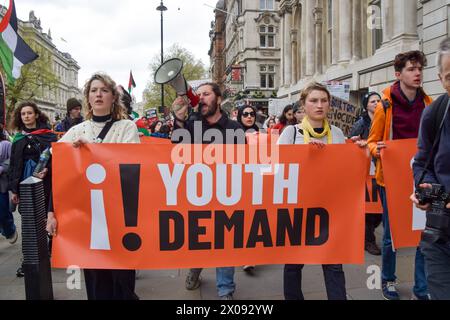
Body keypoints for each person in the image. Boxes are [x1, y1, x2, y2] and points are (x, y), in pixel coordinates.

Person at [46, 73, 140, 300]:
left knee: (123, 280)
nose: (98, 94)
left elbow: (133, 167)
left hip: (119, 215)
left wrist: (94, 152)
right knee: (97, 282)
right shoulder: (76, 132)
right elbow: (61, 175)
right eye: (93, 90)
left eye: (104, 90)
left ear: (113, 98)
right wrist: (51, 212)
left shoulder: (127, 128)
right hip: (88, 217)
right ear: (87, 97)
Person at [367, 50, 432, 300]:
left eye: (419, 69)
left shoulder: (428, 104)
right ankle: (388, 281)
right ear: (398, 74)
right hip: (391, 180)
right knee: (392, 235)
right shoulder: (385, 105)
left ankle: (422, 288)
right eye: (411, 69)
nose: (417, 73)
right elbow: (372, 142)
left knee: (422, 233)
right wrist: (378, 149)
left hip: (421, 177)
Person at [171, 82, 245, 300]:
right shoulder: (192, 124)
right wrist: (180, 120)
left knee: (225, 242)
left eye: (206, 94)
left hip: (226, 194)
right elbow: (177, 152)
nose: (200, 98)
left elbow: (243, 164)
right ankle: (196, 266)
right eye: (198, 94)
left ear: (218, 99)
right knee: (199, 239)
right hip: (197, 194)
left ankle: (225, 290)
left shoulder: (234, 128)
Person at [278, 82, 347, 300]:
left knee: (334, 265)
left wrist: (359, 153)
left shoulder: (337, 133)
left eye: (324, 101)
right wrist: (307, 156)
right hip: (297, 209)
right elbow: (276, 167)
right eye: (313, 101)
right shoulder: (291, 133)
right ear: (304, 105)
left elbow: (345, 171)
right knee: (293, 264)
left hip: (329, 210)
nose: (319, 105)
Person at [411, 37, 450, 300]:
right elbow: (422, 162)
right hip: (441, 235)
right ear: (441, 78)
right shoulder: (434, 113)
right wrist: (425, 188)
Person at [8, 101, 57, 277]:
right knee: (29, 222)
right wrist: (14, 190)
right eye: (23, 114)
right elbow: (14, 165)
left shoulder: (49, 137)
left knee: (47, 216)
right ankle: (29, 261)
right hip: (25, 184)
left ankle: (53, 248)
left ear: (36, 114)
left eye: (29, 113)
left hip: (46, 183)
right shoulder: (18, 139)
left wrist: (47, 169)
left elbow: (58, 160)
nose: (26, 116)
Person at [349, 92, 383, 256]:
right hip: (365, 172)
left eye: (379, 100)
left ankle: (364, 232)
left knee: (380, 211)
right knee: (370, 209)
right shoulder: (360, 124)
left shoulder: (385, 120)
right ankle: (368, 240)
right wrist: (359, 144)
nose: (377, 103)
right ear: (366, 105)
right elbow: (349, 145)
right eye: (373, 101)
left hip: (382, 170)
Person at [0, 124, 17, 244]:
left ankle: (10, 230)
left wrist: (1, 168)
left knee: (3, 212)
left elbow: (13, 160)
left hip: (2, 184)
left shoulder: (5, 144)